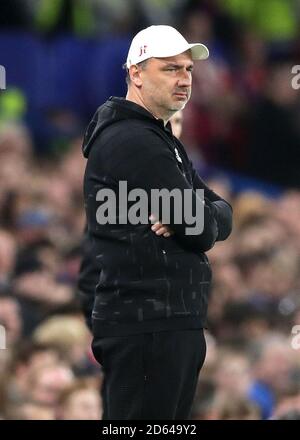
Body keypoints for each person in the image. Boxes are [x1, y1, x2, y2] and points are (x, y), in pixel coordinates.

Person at [79, 25, 232, 420]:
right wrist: (198, 216)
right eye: (170, 69)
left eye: (187, 70)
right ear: (135, 73)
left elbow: (219, 214)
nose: (184, 80)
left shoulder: (159, 136)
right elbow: (200, 230)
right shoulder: (134, 140)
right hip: (147, 326)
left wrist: (196, 214)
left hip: (163, 324)